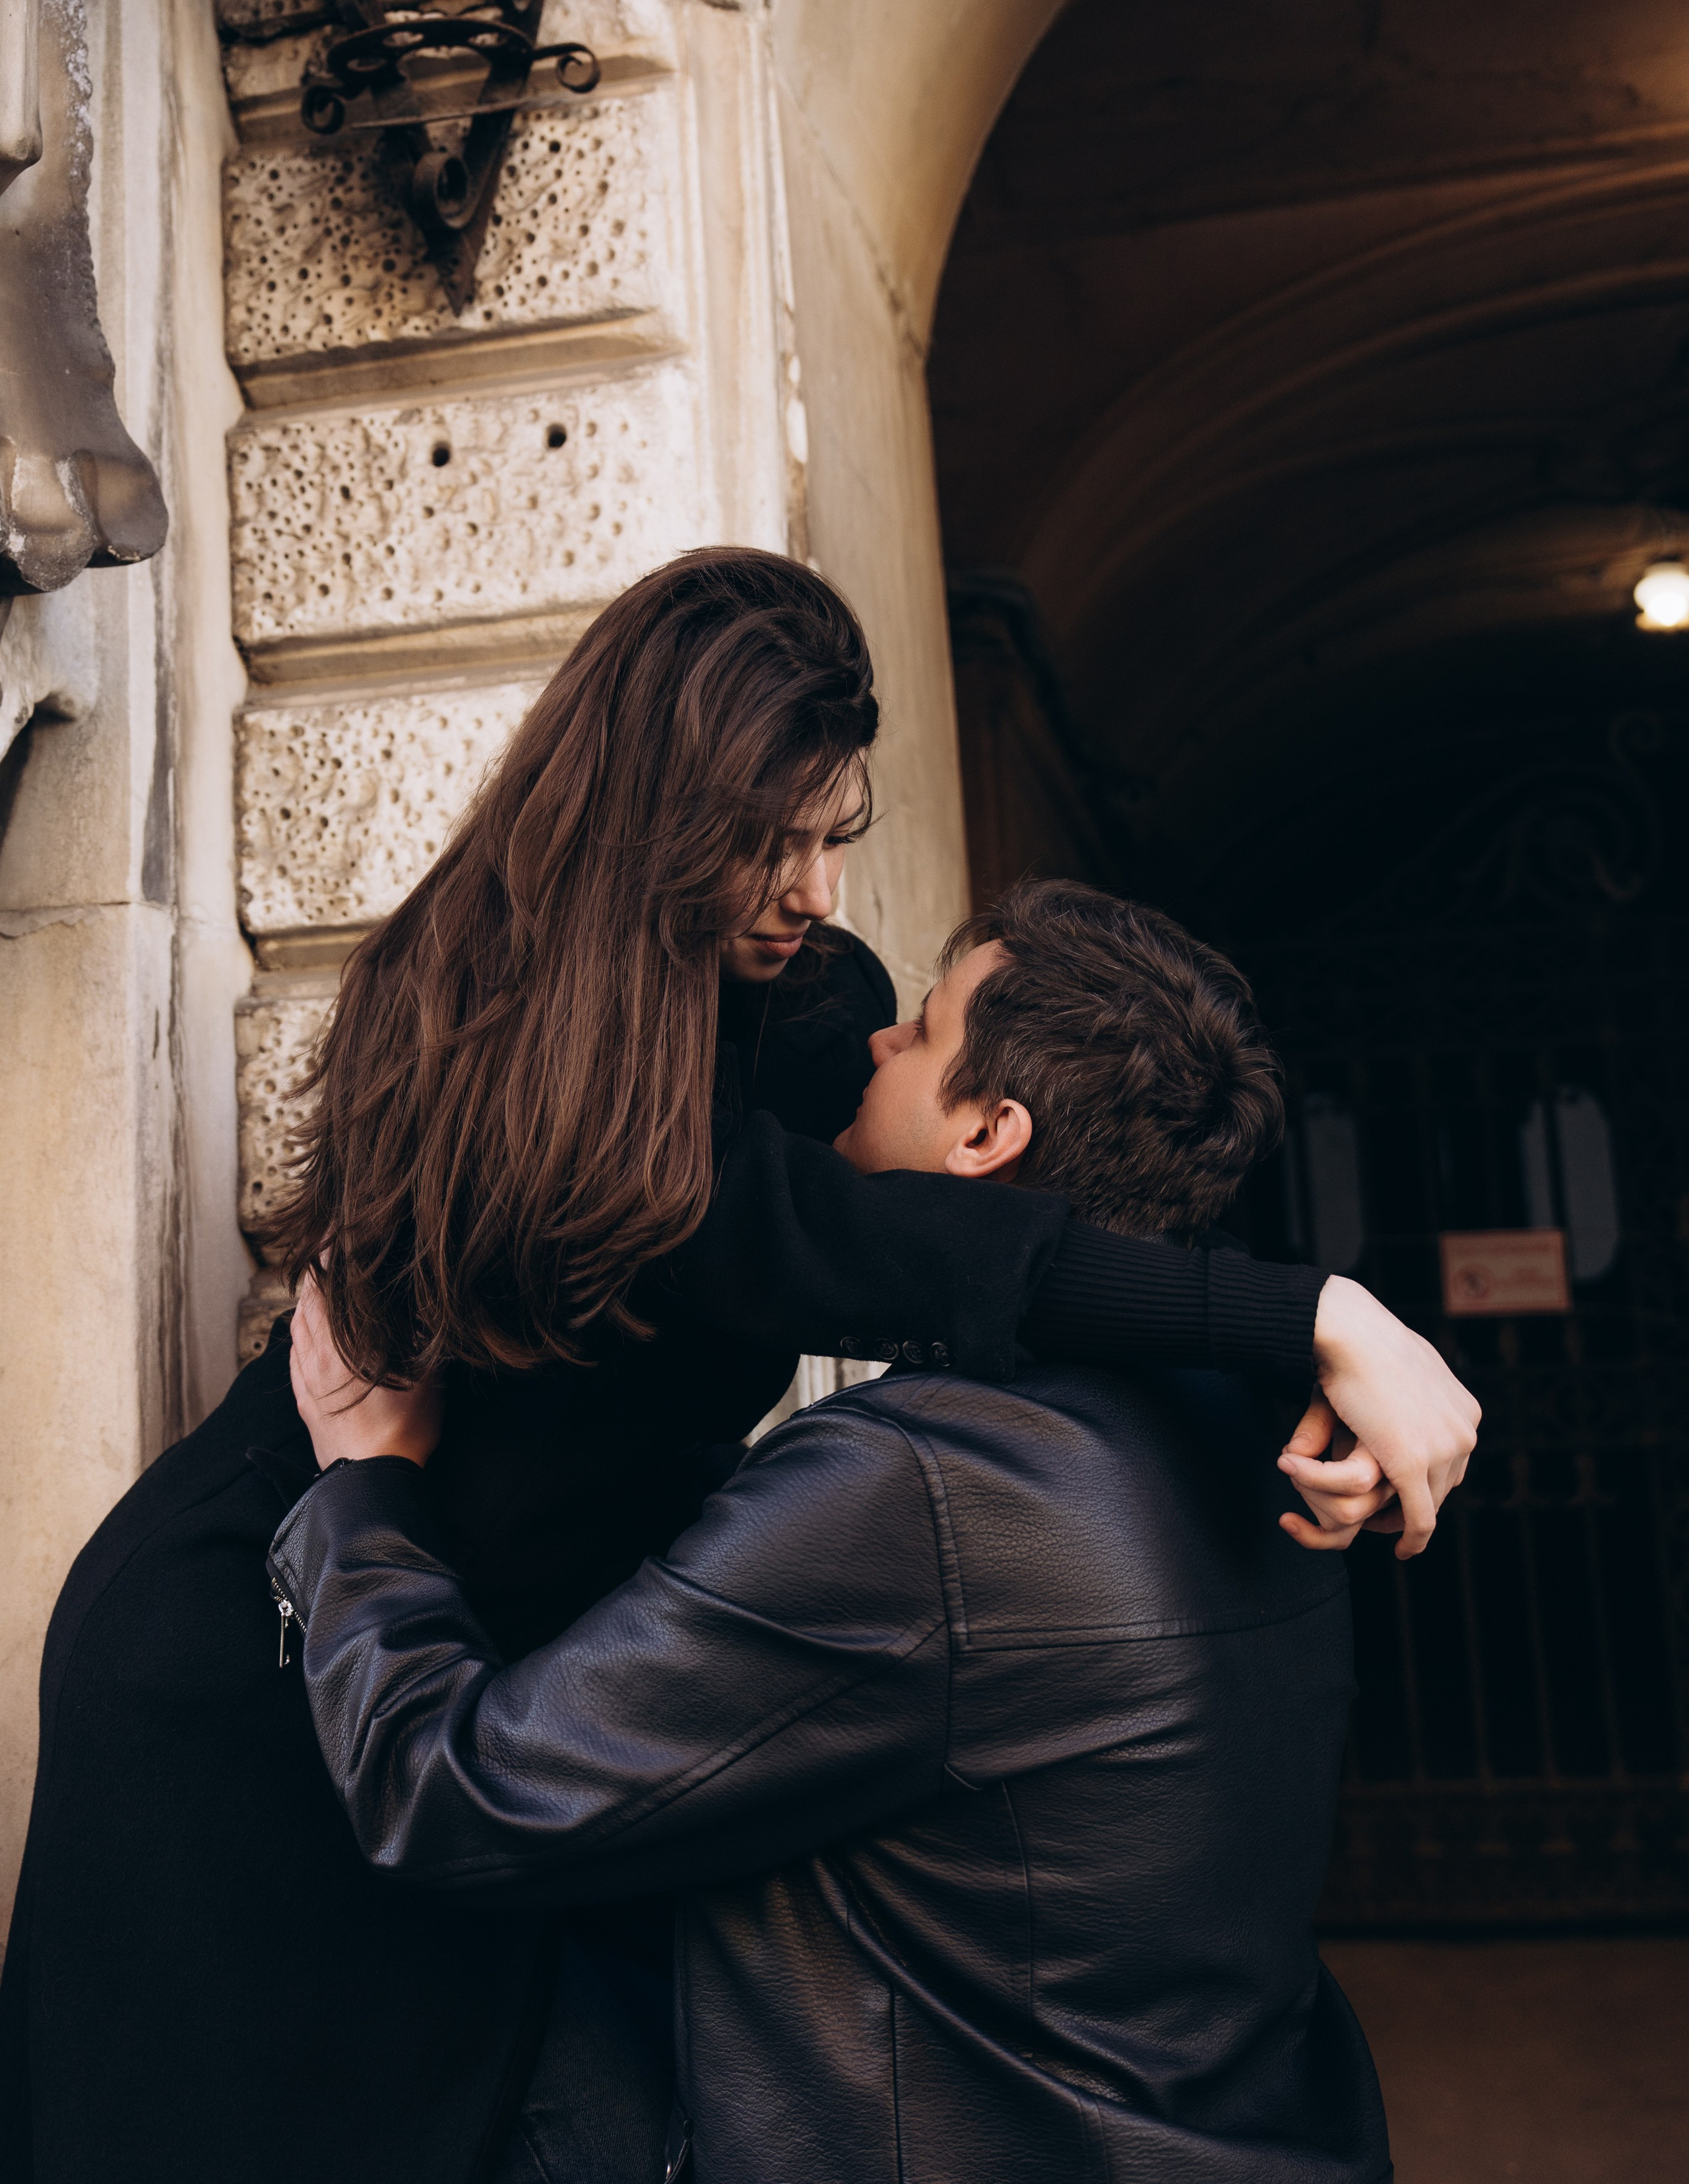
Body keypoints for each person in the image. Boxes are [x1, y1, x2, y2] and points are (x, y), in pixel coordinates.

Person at [0, 555, 1472, 2184]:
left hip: (457, 1672)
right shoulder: (511, 1051)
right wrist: (1310, 1315)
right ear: (662, 816)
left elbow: (1000, 1209)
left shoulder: (809, 1005)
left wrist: (1268, 1369)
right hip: (255, 1656)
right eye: (774, 842)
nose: (818, 893)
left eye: (834, 837)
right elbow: (888, 1246)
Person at [277, 881, 1407, 2184]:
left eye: (920, 1030)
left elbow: (454, 1795)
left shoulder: (919, 1488)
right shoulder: (1261, 1425)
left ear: (986, 1134)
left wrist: (367, 1486)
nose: (878, 1041)